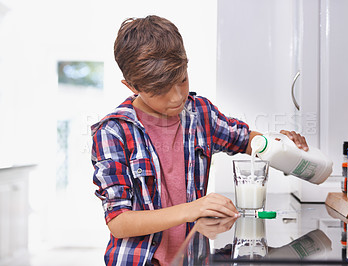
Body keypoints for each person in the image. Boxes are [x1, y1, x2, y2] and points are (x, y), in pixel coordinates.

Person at [91, 15, 308, 266]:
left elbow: (247, 140)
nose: (176, 97)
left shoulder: (201, 114)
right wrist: (192, 209)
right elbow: (119, 222)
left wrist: (282, 145)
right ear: (131, 86)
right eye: (160, 90)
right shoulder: (113, 131)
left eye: (182, 80)